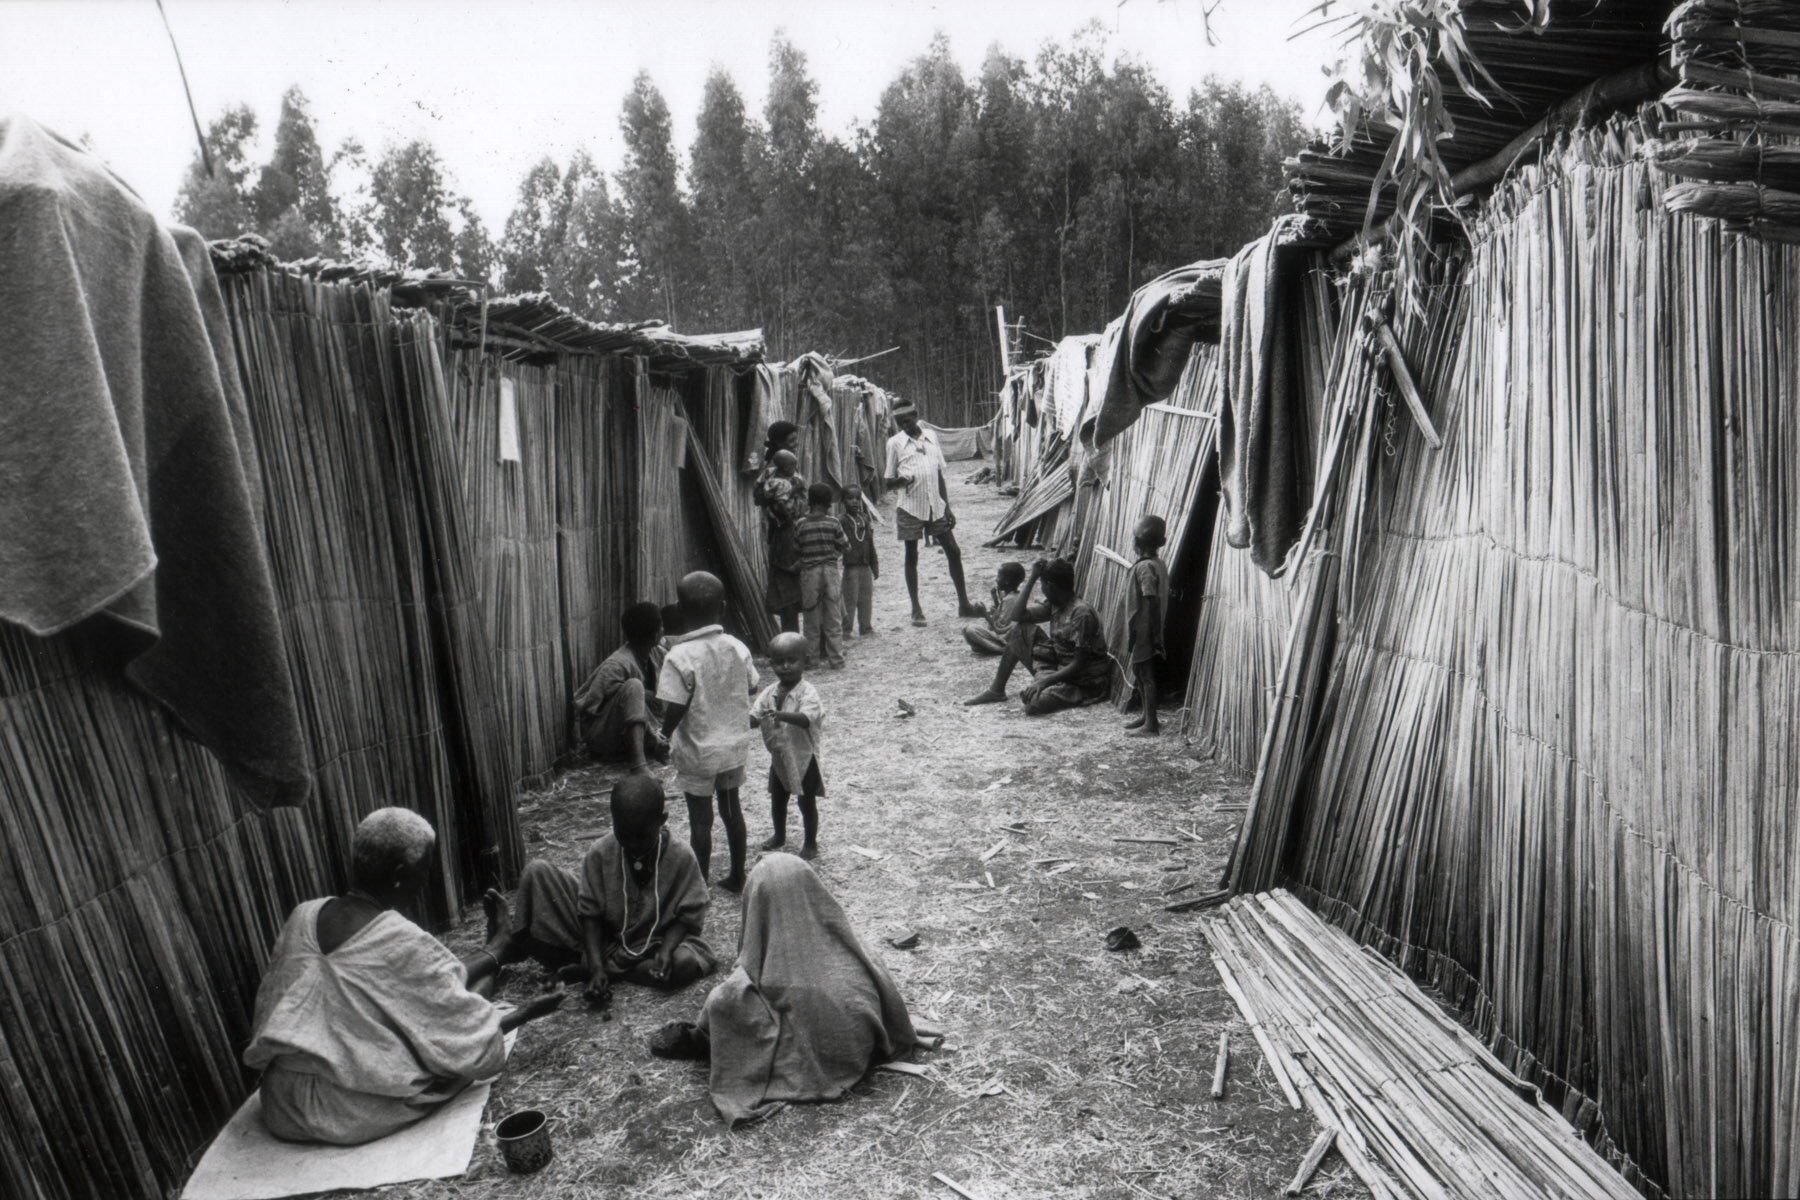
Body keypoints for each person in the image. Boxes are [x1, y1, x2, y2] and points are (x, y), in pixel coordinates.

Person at [243, 808, 563, 1145]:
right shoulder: (400, 939)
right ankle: (498, 950)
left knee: (441, 1007)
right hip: (340, 1109)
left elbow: (405, 981)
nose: (425, 883)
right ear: (399, 874)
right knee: (450, 1047)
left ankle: (496, 950)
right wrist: (529, 1011)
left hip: (280, 1100)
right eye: (423, 870)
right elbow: (466, 1045)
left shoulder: (304, 914)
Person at [647, 854, 916, 1126]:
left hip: (824, 1061)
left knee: (725, 1000)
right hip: (862, 1048)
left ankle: (701, 1040)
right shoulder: (856, 951)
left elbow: (737, 997)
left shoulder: (772, 972)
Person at [488, 775, 717, 1006]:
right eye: (623, 835)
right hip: (606, 940)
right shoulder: (600, 852)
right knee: (536, 872)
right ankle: (599, 967)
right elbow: (590, 915)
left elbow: (688, 916)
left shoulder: (682, 856)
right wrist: (597, 967)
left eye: (641, 837)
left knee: (683, 964)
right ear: (613, 821)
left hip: (655, 944)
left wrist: (667, 950)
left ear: (662, 820)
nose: (632, 845)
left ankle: (591, 967)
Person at [657, 571, 759, 891]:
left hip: (698, 752)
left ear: (680, 609)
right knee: (732, 812)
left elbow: (674, 704)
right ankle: (738, 876)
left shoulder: (678, 656)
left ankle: (700, 885)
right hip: (732, 749)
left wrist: (663, 735)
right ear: (724, 608)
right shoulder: (736, 646)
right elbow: (753, 685)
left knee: (701, 821)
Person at [962, 558, 1111, 714]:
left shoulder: (1080, 614)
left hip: (1083, 681)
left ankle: (1046, 684)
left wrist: (1044, 681)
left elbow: (1079, 664)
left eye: (1042, 584)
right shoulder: (1056, 604)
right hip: (1059, 665)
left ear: (1050, 586)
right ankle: (997, 690)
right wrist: (1032, 578)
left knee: (1034, 703)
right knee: (1020, 630)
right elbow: (1018, 615)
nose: (1042, 589)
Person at [882, 398, 978, 626]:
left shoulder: (931, 437)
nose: (905, 424)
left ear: (916, 416)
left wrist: (947, 506)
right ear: (896, 423)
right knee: (911, 555)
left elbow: (939, 474)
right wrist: (901, 481)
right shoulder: (894, 443)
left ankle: (964, 604)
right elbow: (887, 483)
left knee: (953, 551)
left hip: (936, 506)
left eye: (908, 420)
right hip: (910, 508)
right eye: (900, 422)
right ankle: (916, 608)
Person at [752, 632, 826, 859]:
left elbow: (806, 719)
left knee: (806, 802)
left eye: (792, 660)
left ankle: (811, 842)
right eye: (779, 662)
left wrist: (781, 715)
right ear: (771, 663)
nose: (786, 667)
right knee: (778, 798)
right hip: (780, 756)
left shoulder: (808, 691)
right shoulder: (769, 692)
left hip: (803, 756)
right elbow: (754, 716)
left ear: (805, 660)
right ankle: (779, 835)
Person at [573, 601, 668, 772]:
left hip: (637, 733)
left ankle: (653, 744)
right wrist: (638, 696)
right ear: (655, 635)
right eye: (661, 627)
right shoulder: (617, 664)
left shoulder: (658, 654)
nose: (663, 631)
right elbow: (586, 707)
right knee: (634, 687)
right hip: (606, 738)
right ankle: (639, 765)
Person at [754, 424, 808, 634]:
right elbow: (762, 498)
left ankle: (797, 638)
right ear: (778, 443)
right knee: (788, 584)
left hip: (792, 528)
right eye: (791, 440)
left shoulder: (787, 464)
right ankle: (791, 638)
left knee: (795, 582)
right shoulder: (774, 469)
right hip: (785, 531)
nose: (796, 443)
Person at [1124, 515, 1171, 737]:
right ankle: (1146, 715)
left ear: (1137, 543)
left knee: (1145, 673)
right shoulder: (1158, 564)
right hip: (1147, 627)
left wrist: (1152, 635)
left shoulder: (1144, 568)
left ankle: (1151, 723)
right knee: (1138, 670)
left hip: (1144, 628)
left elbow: (1151, 600)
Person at [795, 482, 848, 670]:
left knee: (811, 618)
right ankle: (837, 659)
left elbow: (796, 549)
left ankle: (812, 659)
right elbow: (844, 546)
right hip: (830, 571)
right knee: (833, 617)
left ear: (811, 501)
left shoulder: (800, 524)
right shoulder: (834, 522)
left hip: (810, 573)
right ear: (827, 503)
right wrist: (832, 556)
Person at [962, 561, 1026, 657]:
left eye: (998, 576)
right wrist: (995, 599)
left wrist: (985, 614)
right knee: (967, 631)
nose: (996, 580)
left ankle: (1001, 650)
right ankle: (987, 647)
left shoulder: (1011, 600)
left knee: (970, 630)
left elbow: (999, 629)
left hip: (1006, 639)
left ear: (1007, 581)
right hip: (1005, 635)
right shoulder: (1012, 596)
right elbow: (1001, 617)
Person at [839, 488, 879, 638]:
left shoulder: (864, 518)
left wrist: (874, 563)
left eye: (857, 498)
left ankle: (866, 626)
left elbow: (870, 542)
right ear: (842, 501)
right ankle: (846, 629)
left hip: (865, 565)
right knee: (850, 598)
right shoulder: (841, 520)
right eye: (850, 498)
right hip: (851, 566)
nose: (854, 502)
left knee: (866, 596)